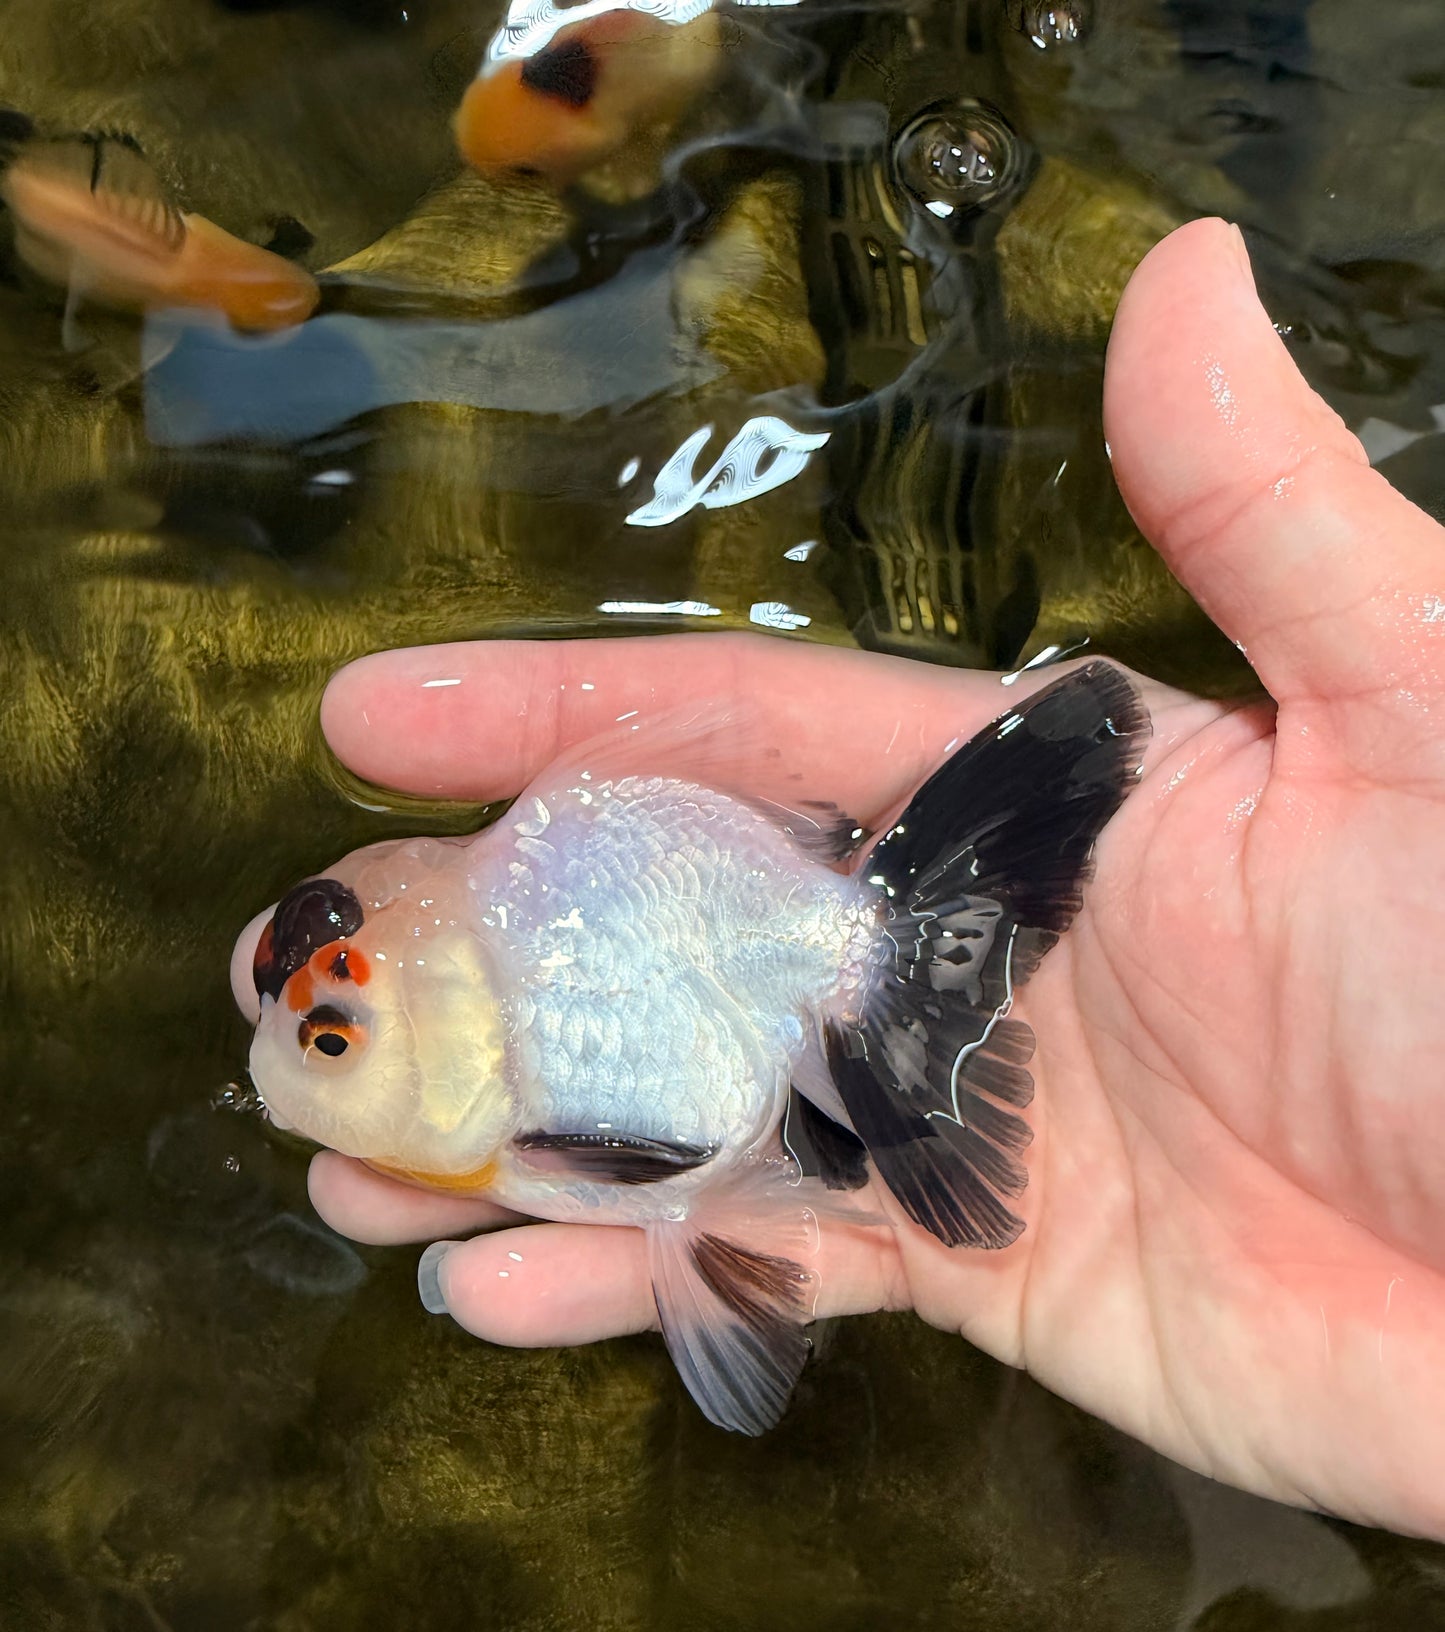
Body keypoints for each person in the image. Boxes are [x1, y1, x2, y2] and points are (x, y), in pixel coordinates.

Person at [237, 218, 1445, 1540]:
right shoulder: (477, 979)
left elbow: (656, 1166)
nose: (297, 1063)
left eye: (335, 1039)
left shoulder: (518, 1086)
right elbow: (675, 1180)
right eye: (328, 1037)